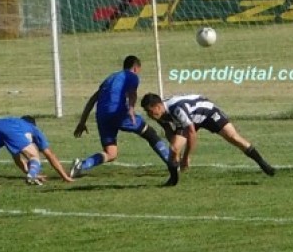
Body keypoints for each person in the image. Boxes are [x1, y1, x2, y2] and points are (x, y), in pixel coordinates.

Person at [71, 55, 179, 186]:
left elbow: (93, 99)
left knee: (111, 153)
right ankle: (172, 163)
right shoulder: (132, 76)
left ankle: (81, 165)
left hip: (102, 116)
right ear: (135, 68)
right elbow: (133, 94)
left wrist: (82, 122)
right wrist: (131, 110)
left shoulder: (109, 79)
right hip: (118, 113)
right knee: (149, 133)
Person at [140, 93, 276, 177]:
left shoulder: (177, 109)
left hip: (207, 113)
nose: (149, 115)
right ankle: (174, 178)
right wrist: (176, 148)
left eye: (150, 111)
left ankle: (263, 164)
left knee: (233, 137)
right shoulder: (159, 114)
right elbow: (169, 131)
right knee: (174, 149)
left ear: (158, 106)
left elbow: (192, 133)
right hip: (188, 120)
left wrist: (186, 157)